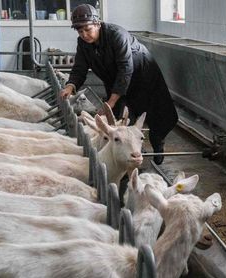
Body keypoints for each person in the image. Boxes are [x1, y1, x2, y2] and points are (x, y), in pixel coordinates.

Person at [60, 4, 178, 165]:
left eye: (87, 29)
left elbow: (125, 68)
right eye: (80, 31)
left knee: (155, 113)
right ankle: (130, 152)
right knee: (121, 117)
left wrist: (111, 100)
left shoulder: (116, 35)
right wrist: (70, 86)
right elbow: (80, 67)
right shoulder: (83, 44)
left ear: (97, 23)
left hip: (143, 76)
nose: (84, 35)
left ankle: (158, 143)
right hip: (118, 80)